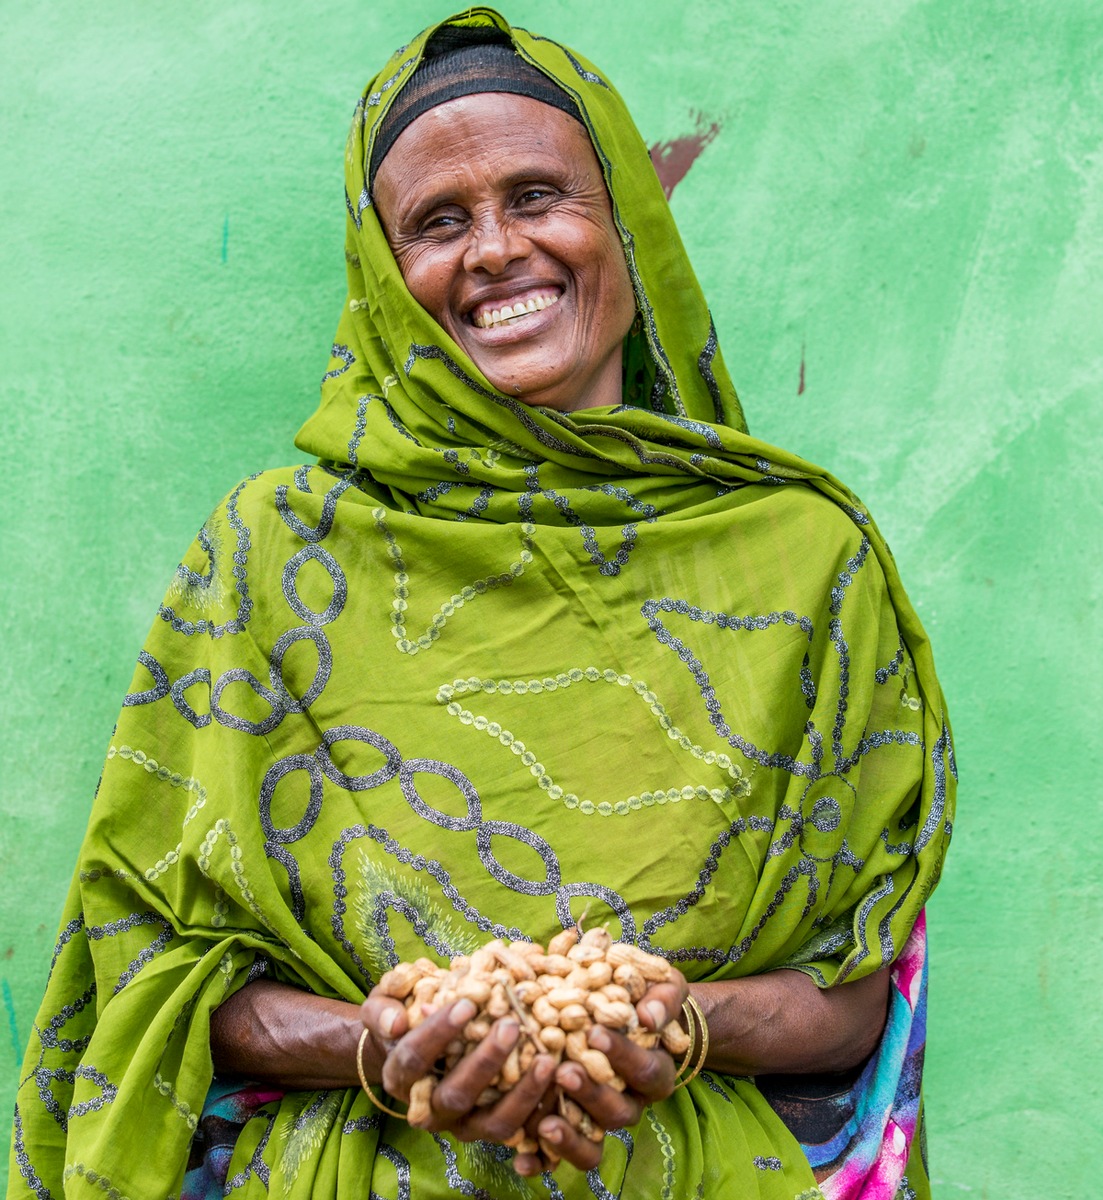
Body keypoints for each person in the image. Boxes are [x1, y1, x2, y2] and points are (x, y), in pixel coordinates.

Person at [8, 9, 954, 1200]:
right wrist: (389, 1044)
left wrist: (675, 1025)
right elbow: (149, 967)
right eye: (437, 223)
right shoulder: (271, 557)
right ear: (383, 277)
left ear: (626, 225)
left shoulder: (802, 558)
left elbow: (853, 997)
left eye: (538, 196)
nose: (496, 250)